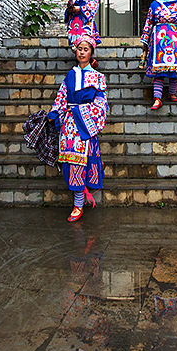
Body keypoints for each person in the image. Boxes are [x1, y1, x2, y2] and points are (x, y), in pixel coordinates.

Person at [47, 34, 107, 223]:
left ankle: (79, 204)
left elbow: (101, 105)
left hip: (86, 126)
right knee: (73, 164)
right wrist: (55, 113)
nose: (82, 52)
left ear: (91, 53)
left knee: (83, 163)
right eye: (79, 49)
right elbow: (61, 97)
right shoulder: (70, 75)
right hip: (70, 127)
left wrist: (81, 112)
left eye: (85, 49)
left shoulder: (98, 78)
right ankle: (78, 205)